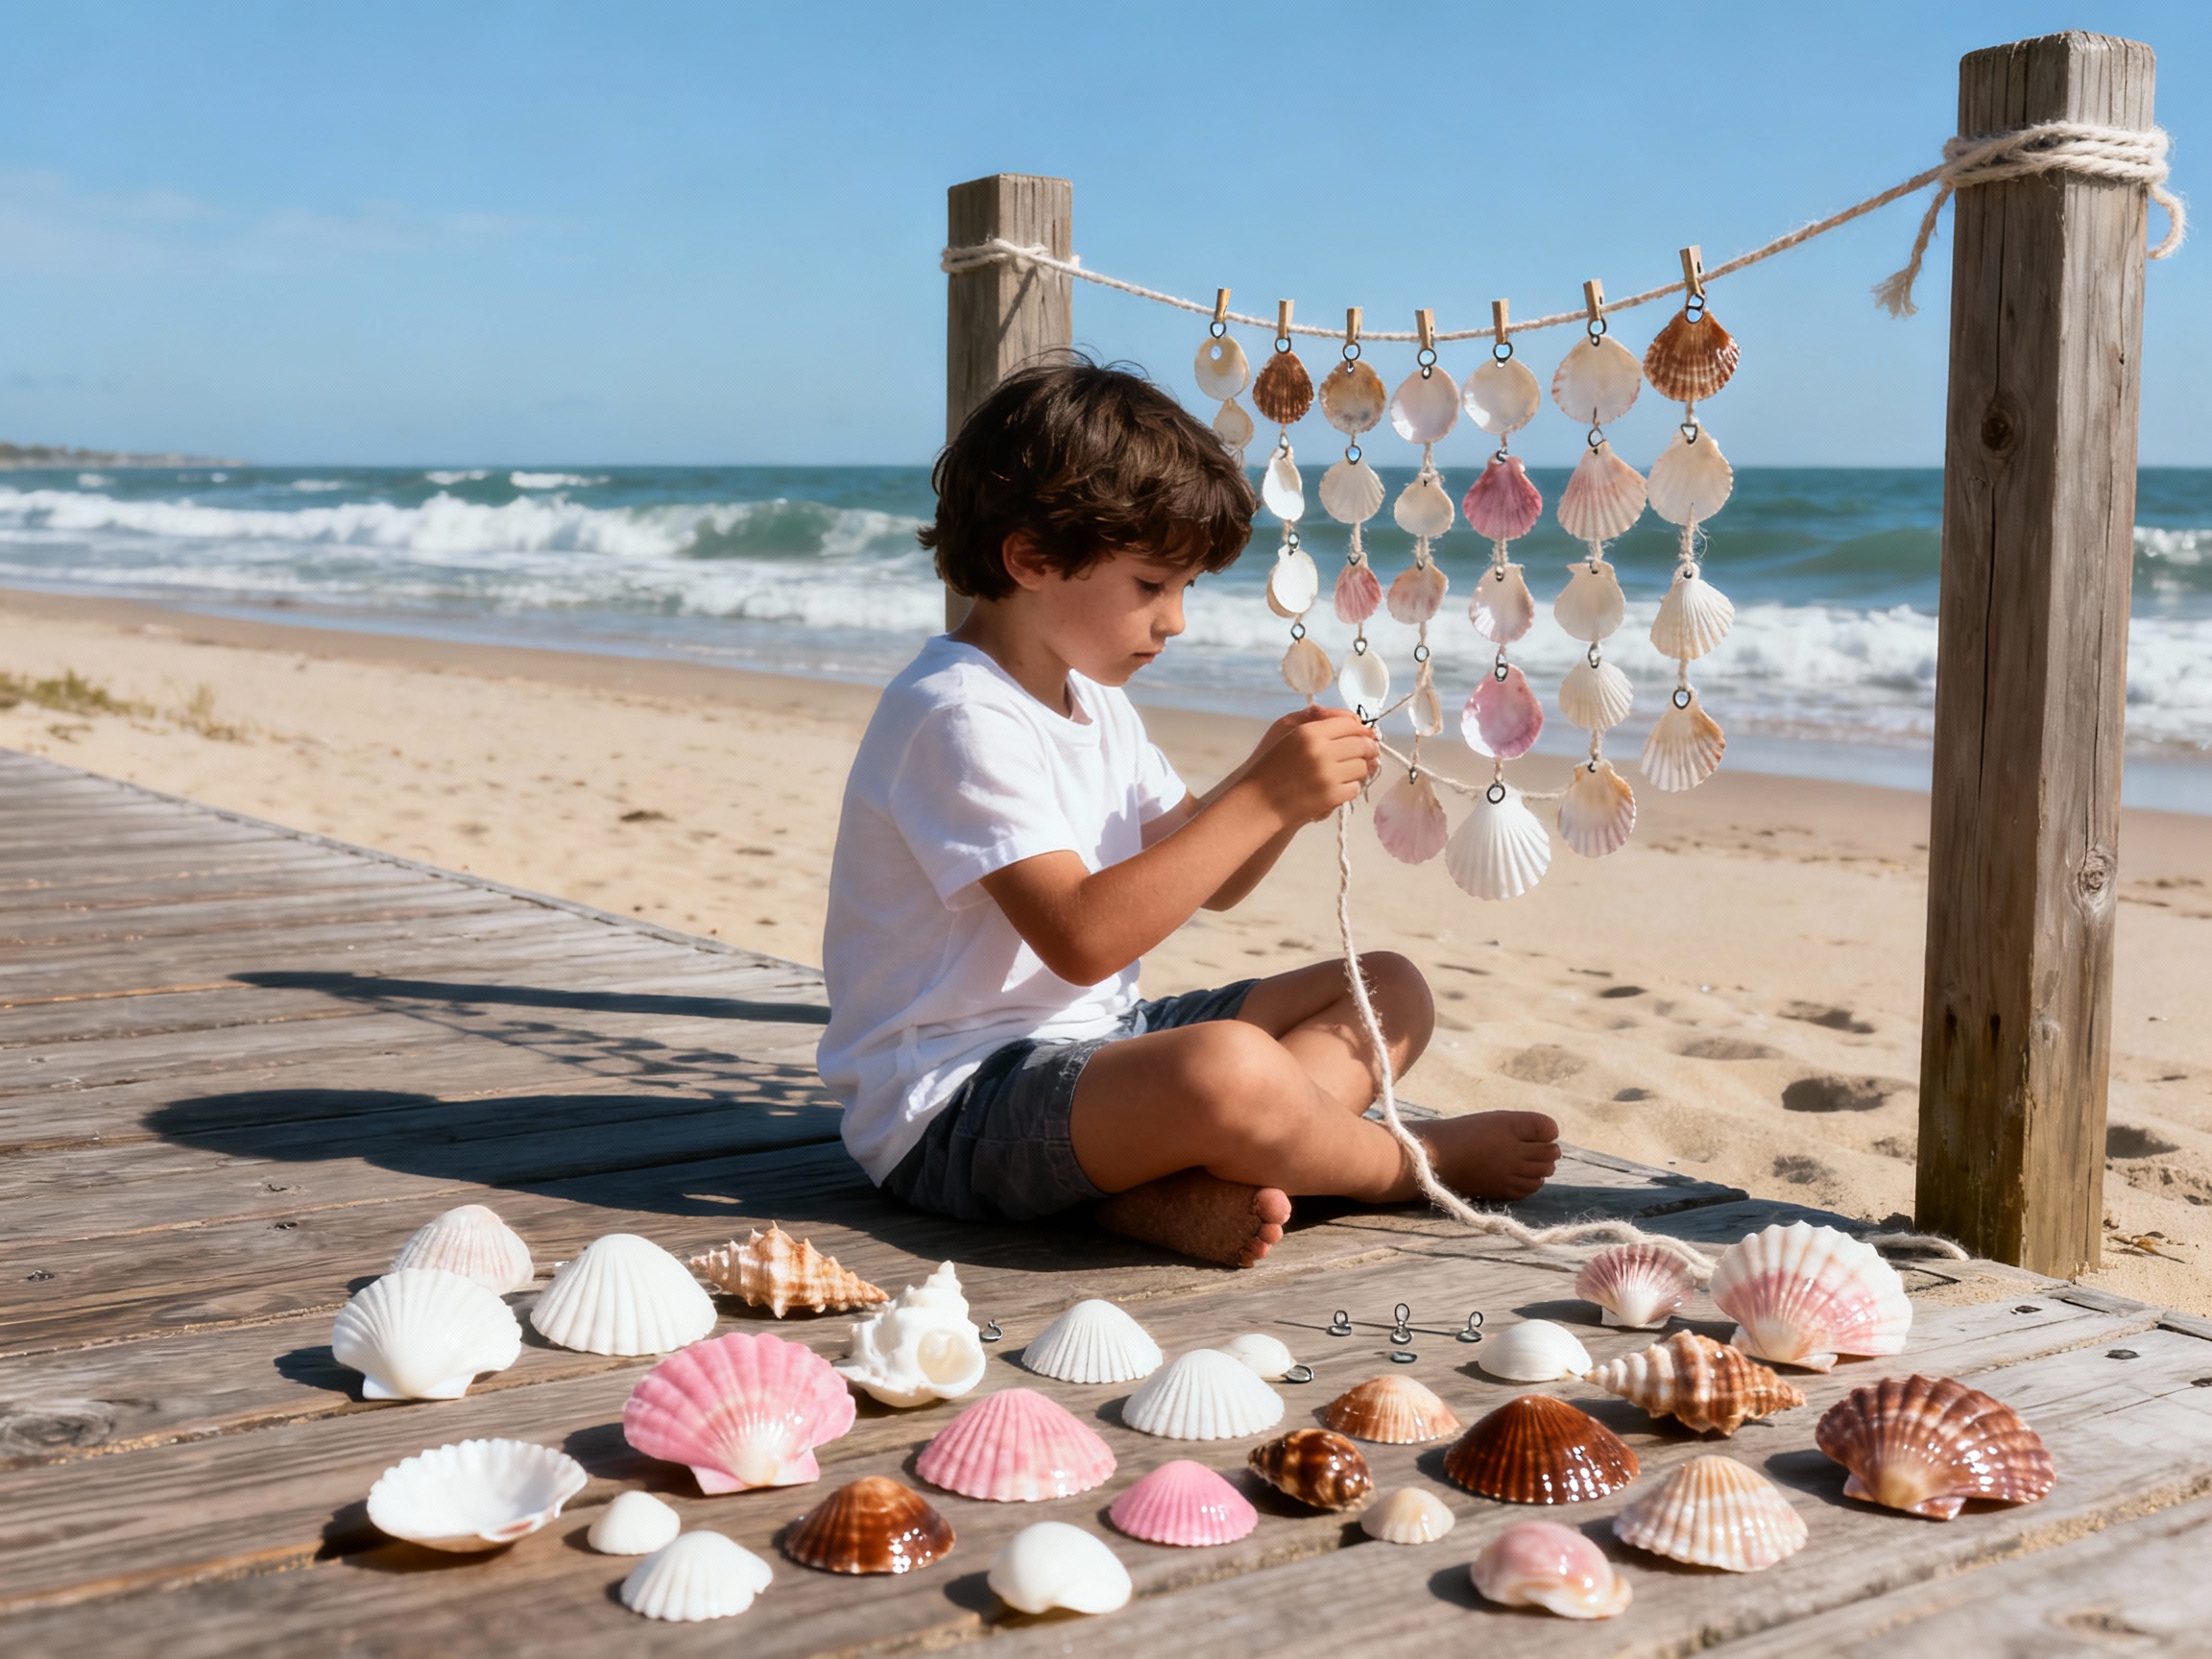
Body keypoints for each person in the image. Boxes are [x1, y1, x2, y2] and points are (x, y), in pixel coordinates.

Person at [817, 359, 1559, 1266]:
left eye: (1187, 589)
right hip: (955, 1109)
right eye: (1149, 586)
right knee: (1226, 1070)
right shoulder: (957, 712)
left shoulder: (1091, 699)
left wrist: (1278, 793)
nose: (1173, 622)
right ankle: (1404, 1163)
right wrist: (1261, 795)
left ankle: (1181, 1186)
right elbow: (1084, 937)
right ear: (1031, 559)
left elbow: (1212, 880)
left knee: (1384, 989)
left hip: (1099, 1051)